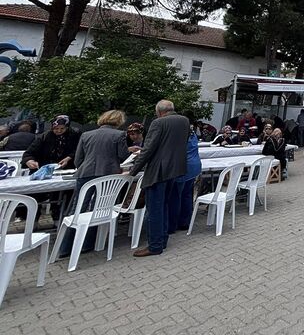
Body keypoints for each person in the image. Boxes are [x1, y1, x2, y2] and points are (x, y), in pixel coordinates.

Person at [58, 110, 129, 257]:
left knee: (77, 208)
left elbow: (78, 159)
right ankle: (87, 243)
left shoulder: (86, 134)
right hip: (107, 174)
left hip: (85, 173)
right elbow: (123, 156)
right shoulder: (119, 135)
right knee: (99, 208)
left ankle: (65, 247)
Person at [128, 100, 190, 258]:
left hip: (159, 171)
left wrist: (133, 170)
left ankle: (155, 246)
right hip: (175, 169)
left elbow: (148, 149)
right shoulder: (184, 120)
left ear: (159, 111)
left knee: (155, 209)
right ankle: (162, 240)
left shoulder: (158, 123)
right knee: (164, 205)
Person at [21, 115, 81, 224]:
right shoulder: (44, 137)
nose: (58, 131)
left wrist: (69, 158)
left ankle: (60, 219)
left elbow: (78, 150)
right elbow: (28, 154)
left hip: (65, 170)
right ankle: (32, 221)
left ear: (67, 127)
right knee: (35, 195)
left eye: (62, 129)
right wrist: (29, 161)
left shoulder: (74, 136)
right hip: (44, 169)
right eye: (56, 129)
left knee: (65, 194)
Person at [169, 123, 202, 233]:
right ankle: (185, 222)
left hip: (183, 169)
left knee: (175, 197)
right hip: (194, 167)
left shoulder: (181, 138)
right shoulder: (193, 135)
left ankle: (171, 226)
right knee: (187, 195)